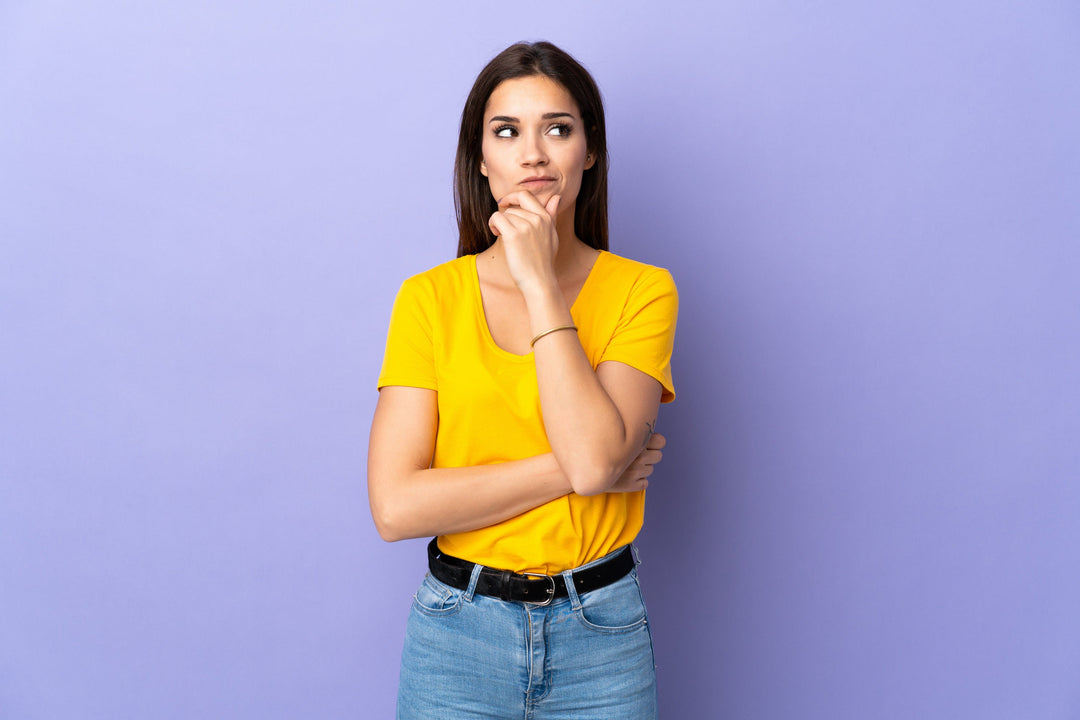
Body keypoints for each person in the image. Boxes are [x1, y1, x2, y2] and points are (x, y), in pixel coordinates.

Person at [367, 40, 677, 719]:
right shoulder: (428, 299)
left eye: (557, 129)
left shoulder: (643, 291)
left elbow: (598, 459)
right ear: (481, 160)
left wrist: (537, 280)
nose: (533, 154)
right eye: (507, 132)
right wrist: (575, 470)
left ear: (589, 152)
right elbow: (395, 507)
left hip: (602, 638)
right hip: (456, 636)